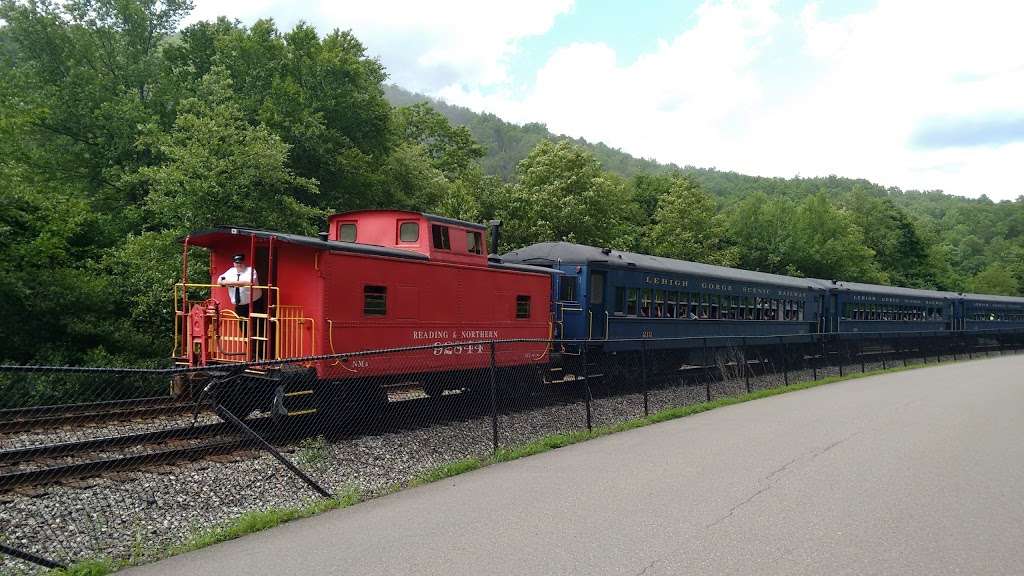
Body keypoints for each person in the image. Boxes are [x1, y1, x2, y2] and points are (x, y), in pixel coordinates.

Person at [218, 254, 264, 329]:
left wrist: (229, 282)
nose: (239, 264)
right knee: (243, 326)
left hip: (254, 303)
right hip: (240, 305)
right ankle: (247, 340)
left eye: (240, 262)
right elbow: (219, 281)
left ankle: (259, 341)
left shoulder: (251, 270)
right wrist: (236, 283)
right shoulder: (231, 271)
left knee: (257, 325)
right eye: (236, 263)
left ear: (244, 262)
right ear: (234, 263)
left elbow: (249, 282)